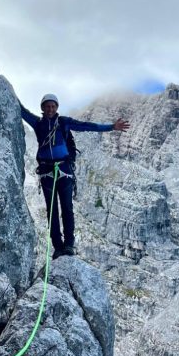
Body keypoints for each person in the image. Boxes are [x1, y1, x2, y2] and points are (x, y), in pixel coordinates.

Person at [21, 94, 130, 258]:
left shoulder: (64, 122)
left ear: (56, 108)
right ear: (42, 108)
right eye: (47, 106)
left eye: (53, 106)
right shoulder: (37, 123)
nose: (50, 109)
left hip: (63, 169)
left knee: (67, 208)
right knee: (52, 211)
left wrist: (111, 127)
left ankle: (69, 245)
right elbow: (22, 111)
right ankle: (58, 247)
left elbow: (87, 126)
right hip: (47, 172)